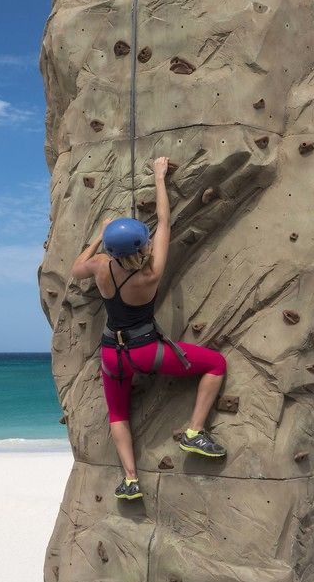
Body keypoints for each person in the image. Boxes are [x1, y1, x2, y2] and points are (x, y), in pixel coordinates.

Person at [70, 156, 228, 500]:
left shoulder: (100, 267)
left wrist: (99, 237)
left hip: (112, 355)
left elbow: (75, 268)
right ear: (142, 246)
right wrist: (159, 177)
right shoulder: (150, 274)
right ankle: (194, 431)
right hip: (146, 352)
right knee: (216, 364)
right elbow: (163, 220)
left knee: (117, 413)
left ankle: (130, 479)